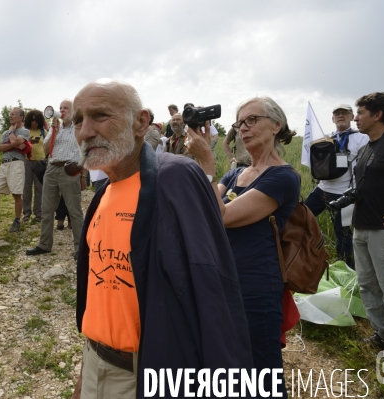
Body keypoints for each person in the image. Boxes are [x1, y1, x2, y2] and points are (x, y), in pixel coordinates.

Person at [73, 80, 252, 398]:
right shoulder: (102, 196)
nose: (85, 131)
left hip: (144, 377)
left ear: (141, 123)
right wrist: (85, 377)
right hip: (94, 364)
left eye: (100, 116)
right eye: (77, 120)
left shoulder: (175, 179)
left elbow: (212, 291)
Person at [188, 96, 300, 396]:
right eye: (240, 123)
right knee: (227, 363)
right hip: (223, 278)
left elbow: (220, 215)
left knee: (262, 370)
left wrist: (206, 162)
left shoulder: (283, 177)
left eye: (253, 120)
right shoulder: (236, 173)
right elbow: (201, 206)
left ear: (276, 126)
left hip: (256, 285)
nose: (243, 129)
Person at [350, 92, 384, 362]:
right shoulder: (364, 149)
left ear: (377, 115)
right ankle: (383, 335)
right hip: (361, 228)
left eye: (359, 113)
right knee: (368, 286)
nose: (355, 118)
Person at [303, 104, 368, 267]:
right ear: (332, 118)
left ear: (352, 117)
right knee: (299, 217)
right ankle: (303, 259)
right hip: (322, 189)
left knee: (343, 234)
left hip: (345, 195)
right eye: (337, 114)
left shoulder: (361, 138)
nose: (340, 116)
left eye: (345, 113)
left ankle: (346, 271)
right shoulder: (327, 139)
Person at [26, 100, 85, 259]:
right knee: (46, 209)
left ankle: (81, 248)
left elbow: (86, 150)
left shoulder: (79, 127)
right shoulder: (54, 128)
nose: (62, 111)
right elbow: (45, 150)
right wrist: (55, 131)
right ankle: (44, 244)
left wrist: (83, 174)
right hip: (52, 168)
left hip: (69, 169)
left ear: (73, 111)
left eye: (65, 108)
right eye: (60, 108)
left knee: (74, 210)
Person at [22, 109, 47, 223]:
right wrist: (28, 142)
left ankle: (39, 213)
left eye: (37, 120)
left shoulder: (43, 131)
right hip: (27, 161)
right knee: (26, 188)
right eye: (32, 120)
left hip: (40, 162)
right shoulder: (24, 131)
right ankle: (26, 212)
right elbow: (20, 144)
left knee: (39, 188)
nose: (34, 122)